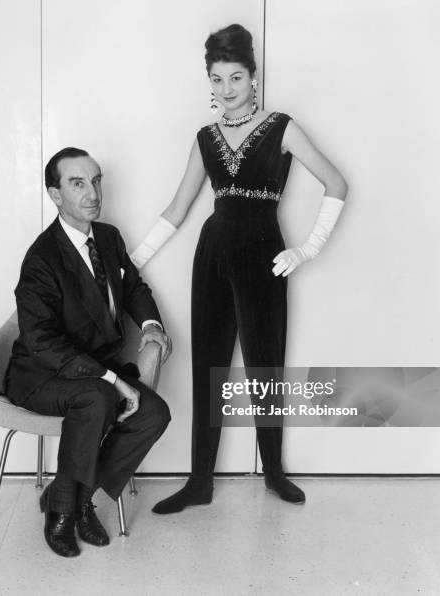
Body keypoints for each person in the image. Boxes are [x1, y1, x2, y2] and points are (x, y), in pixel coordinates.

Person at [131, 24, 348, 513]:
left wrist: (307, 249)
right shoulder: (205, 137)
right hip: (211, 257)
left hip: (262, 256)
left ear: (253, 76)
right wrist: (132, 262)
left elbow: (336, 183)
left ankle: (273, 473)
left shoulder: (282, 127)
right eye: (217, 79)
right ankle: (199, 482)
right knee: (208, 365)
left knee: (262, 367)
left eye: (235, 77)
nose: (226, 89)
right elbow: (177, 208)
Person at [5, 147, 172, 556]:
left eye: (96, 180)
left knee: (154, 412)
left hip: (94, 368)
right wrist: (113, 379)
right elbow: (43, 342)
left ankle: (75, 497)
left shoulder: (110, 237)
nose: (92, 193)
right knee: (97, 395)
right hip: (41, 374)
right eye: (77, 183)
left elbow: (133, 287)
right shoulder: (42, 258)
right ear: (56, 195)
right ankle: (61, 514)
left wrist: (151, 325)